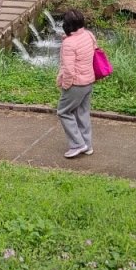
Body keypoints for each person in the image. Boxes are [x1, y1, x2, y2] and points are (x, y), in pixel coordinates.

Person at [56, 9, 97, 159]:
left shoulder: (69, 44)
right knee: (82, 112)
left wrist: (66, 85)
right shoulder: (89, 35)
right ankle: (87, 145)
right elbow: (91, 51)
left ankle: (77, 144)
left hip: (76, 84)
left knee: (63, 111)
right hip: (89, 81)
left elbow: (68, 69)